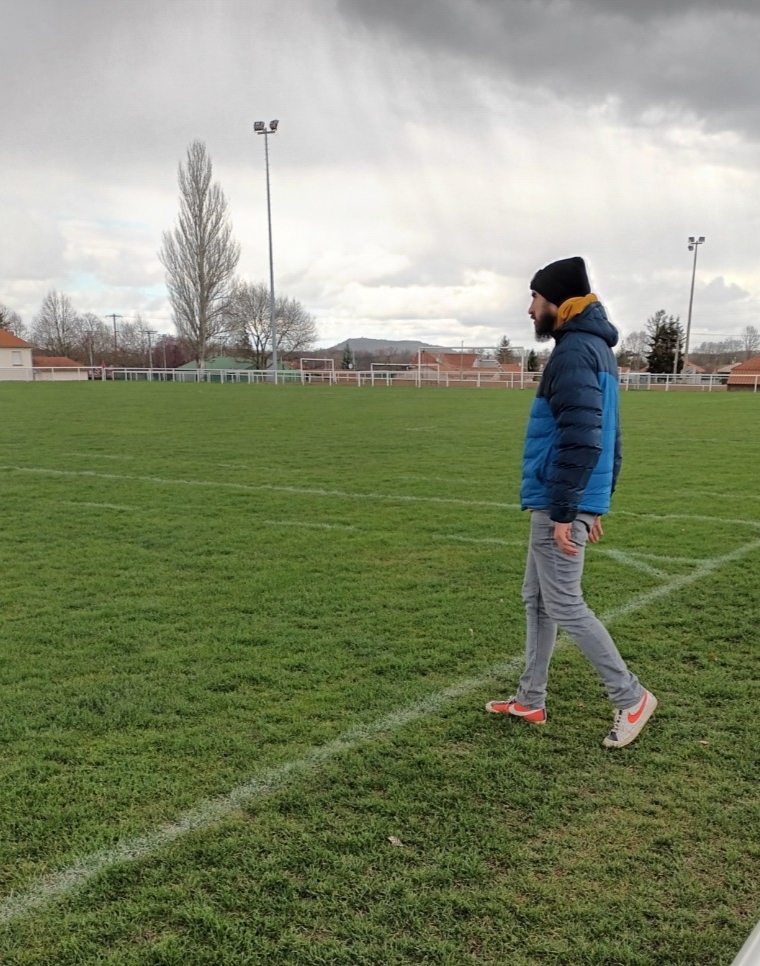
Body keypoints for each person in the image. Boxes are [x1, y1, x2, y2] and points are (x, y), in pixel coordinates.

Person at [486, 256, 657, 748]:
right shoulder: (594, 349)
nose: (530, 309)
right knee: (538, 599)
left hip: (558, 499)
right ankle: (530, 699)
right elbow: (611, 436)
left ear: (558, 302)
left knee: (563, 601)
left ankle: (631, 697)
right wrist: (596, 501)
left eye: (535, 298)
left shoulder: (574, 353)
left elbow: (584, 438)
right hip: (571, 496)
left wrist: (569, 510)